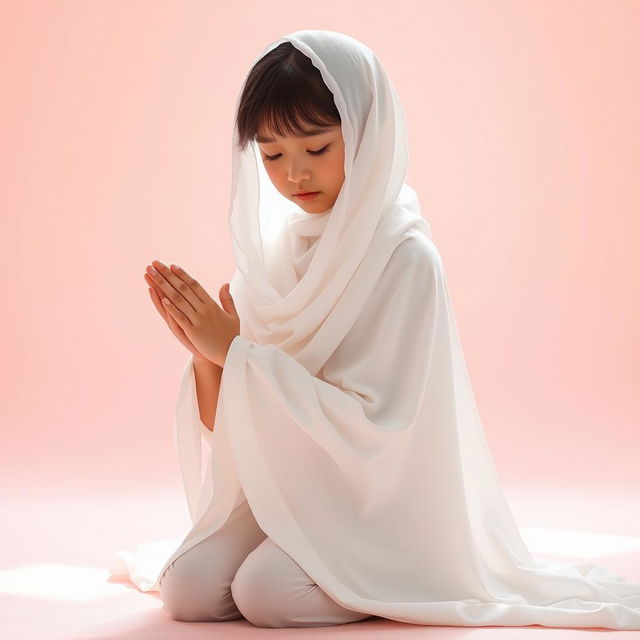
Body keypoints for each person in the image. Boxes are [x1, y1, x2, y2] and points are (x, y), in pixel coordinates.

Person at [110, 29, 640, 630]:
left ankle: (379, 576)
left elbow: (385, 431)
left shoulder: (406, 258)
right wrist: (209, 356)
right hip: (292, 492)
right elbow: (226, 426)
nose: (294, 175)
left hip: (380, 509)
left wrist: (236, 353)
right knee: (186, 589)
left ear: (365, 134)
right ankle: (305, 563)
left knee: (265, 593)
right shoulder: (279, 255)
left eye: (317, 147)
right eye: (272, 154)